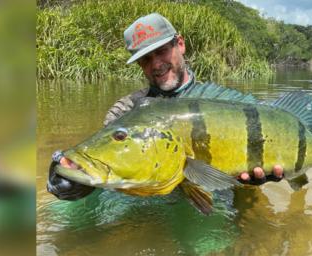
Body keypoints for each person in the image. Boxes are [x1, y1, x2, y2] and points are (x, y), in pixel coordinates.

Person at [47, 13, 283, 200]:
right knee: (65, 214)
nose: (156, 64)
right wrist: (73, 186)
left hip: (211, 197)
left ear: (180, 44)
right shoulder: (126, 111)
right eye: (146, 59)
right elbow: (113, 166)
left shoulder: (223, 106)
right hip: (155, 196)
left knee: (210, 243)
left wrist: (251, 184)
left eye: (161, 51)